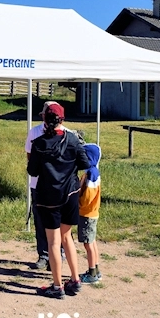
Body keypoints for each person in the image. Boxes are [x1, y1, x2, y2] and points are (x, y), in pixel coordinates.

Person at [27, 103, 90, 299]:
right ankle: (75, 280)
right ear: (62, 119)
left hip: (49, 197)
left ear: (44, 119)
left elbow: (32, 171)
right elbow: (85, 163)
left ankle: (57, 286)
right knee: (67, 237)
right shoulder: (72, 139)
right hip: (71, 194)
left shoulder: (39, 143)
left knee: (53, 242)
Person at [25, 100, 68, 270]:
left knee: (60, 222)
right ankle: (43, 254)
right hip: (39, 184)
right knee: (40, 221)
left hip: (59, 186)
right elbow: (30, 157)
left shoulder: (66, 134)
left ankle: (59, 254)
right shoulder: (34, 132)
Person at [78, 142, 102, 284]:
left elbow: (88, 197)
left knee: (88, 244)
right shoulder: (92, 172)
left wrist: (78, 203)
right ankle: (96, 269)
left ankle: (92, 273)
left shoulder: (91, 174)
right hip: (91, 213)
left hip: (87, 213)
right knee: (92, 242)